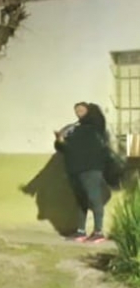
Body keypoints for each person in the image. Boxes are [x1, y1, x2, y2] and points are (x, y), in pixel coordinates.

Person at [54, 102, 110, 243]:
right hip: (75, 169)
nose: (78, 112)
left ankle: (98, 232)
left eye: (82, 109)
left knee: (94, 198)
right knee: (80, 200)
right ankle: (81, 231)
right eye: (76, 110)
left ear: (88, 111)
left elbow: (96, 143)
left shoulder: (95, 126)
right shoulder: (72, 128)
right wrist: (60, 140)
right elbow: (64, 148)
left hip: (91, 169)